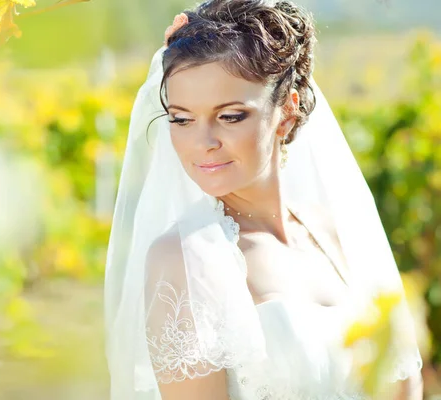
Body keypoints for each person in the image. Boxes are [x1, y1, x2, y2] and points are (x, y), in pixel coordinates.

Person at [103, 1, 424, 399]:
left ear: (286, 112)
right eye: (182, 119)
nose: (203, 143)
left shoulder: (339, 233)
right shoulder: (186, 259)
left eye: (231, 116)